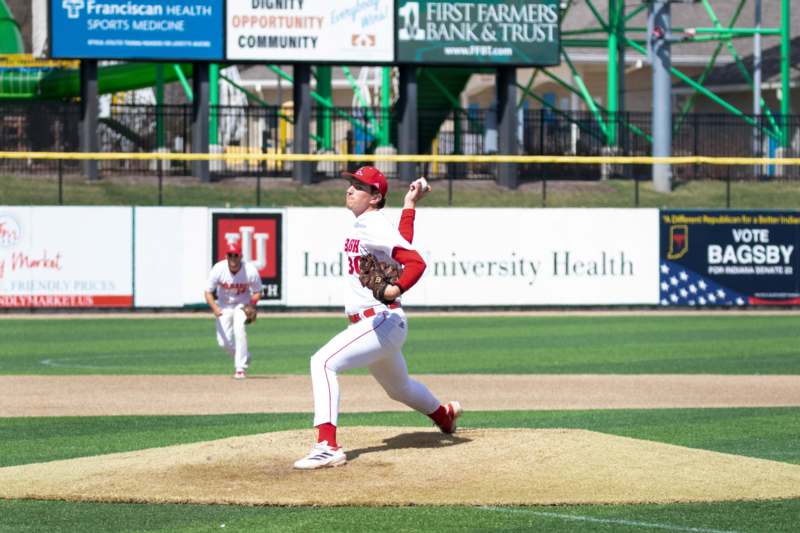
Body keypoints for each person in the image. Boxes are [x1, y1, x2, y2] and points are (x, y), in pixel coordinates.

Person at [293, 166, 462, 470]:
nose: (350, 189)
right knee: (399, 389)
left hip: (380, 320)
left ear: (375, 197)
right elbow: (401, 243)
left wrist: (396, 287)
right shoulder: (368, 224)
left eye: (358, 186)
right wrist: (410, 206)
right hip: (378, 324)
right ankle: (444, 416)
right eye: (350, 183)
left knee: (322, 362)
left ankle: (327, 445)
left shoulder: (371, 223)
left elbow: (415, 261)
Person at [204, 240, 263, 379]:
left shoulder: (250, 270)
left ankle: (240, 368)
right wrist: (215, 308)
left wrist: (252, 305)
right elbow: (207, 292)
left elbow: (257, 291)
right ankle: (245, 356)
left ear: (240, 256)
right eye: (230, 255)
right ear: (226, 256)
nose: (233, 258)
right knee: (223, 342)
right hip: (223, 306)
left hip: (241, 305)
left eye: (235, 255)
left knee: (239, 329)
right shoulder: (219, 269)